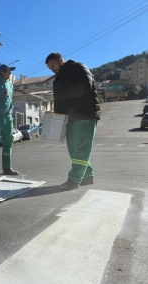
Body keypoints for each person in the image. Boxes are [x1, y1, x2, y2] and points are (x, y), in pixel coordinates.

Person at [45, 52, 100, 191]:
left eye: (53, 65)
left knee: (81, 150)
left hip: (85, 114)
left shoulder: (77, 67)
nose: (52, 68)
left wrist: (62, 96)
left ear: (60, 60)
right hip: (69, 118)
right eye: (49, 67)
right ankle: (88, 177)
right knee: (74, 151)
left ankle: (74, 180)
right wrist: (58, 118)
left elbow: (85, 86)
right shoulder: (57, 79)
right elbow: (59, 100)